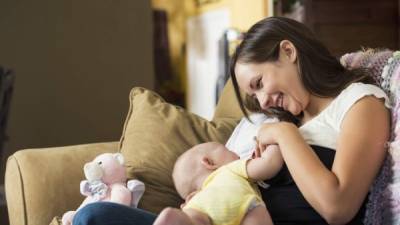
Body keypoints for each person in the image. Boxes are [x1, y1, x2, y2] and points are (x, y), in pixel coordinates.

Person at [73, 16, 391, 225]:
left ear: (289, 52)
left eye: (259, 84)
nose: (264, 102)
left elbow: (337, 207)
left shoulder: (360, 103)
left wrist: (282, 134)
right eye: (255, 96)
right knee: (94, 216)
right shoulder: (291, 122)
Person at [153, 141, 282, 225]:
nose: (237, 154)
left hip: (196, 209)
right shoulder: (230, 169)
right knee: (257, 213)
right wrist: (274, 143)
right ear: (210, 162)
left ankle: (182, 219)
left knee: (194, 219)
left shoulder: (198, 198)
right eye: (229, 150)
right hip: (243, 207)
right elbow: (269, 164)